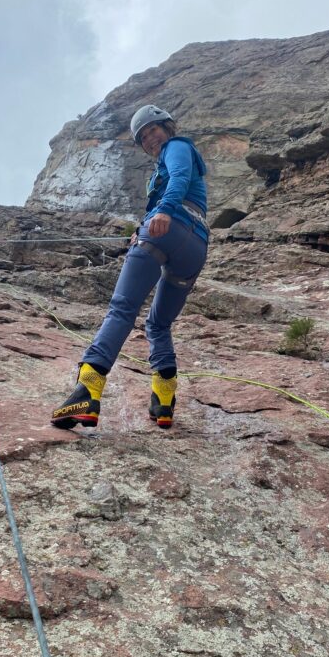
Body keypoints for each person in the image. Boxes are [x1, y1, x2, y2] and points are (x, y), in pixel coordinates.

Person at [51, 104, 209, 430]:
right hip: (195, 247)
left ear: (167, 127)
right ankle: (163, 401)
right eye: (143, 137)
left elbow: (179, 177)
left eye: (153, 130)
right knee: (158, 324)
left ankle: (87, 390)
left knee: (122, 309)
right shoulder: (170, 156)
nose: (150, 139)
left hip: (167, 228)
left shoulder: (177, 147)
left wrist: (163, 211)